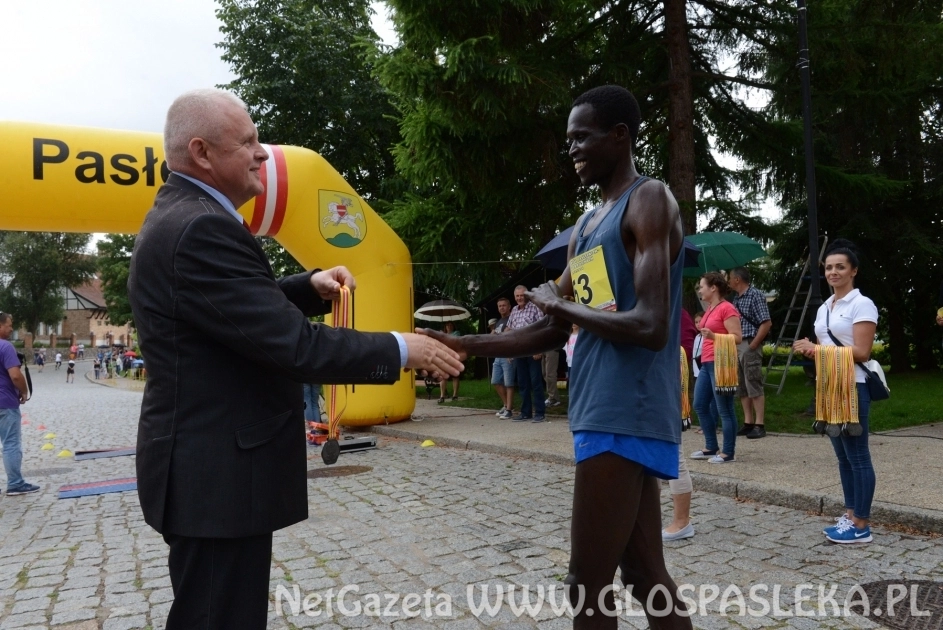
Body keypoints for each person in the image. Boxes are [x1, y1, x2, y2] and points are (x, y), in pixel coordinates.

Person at [127, 88, 463, 630]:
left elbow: (230, 312)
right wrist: (404, 348)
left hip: (207, 474)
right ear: (202, 152)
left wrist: (307, 287)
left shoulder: (185, 217)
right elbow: (294, 346)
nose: (263, 154)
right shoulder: (201, 227)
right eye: (250, 142)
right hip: (216, 479)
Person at [424, 85, 692, 629]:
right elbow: (551, 329)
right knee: (644, 577)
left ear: (619, 136)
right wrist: (461, 345)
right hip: (599, 407)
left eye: (581, 138)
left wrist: (558, 301)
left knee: (585, 585)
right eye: (568, 140)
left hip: (628, 409)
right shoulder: (588, 225)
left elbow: (651, 325)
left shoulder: (648, 200)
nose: (571, 150)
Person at [793, 239, 877, 544]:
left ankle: (862, 524)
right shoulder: (825, 307)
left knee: (858, 456)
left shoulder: (861, 304)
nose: (833, 272)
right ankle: (850, 514)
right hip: (829, 387)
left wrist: (818, 349)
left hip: (854, 385)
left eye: (840, 266)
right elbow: (826, 348)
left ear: (853, 271)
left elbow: (863, 352)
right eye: (829, 267)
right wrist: (811, 350)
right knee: (842, 457)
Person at [690, 272, 742, 463]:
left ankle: (728, 452)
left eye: (702, 286)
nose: (699, 289)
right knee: (700, 404)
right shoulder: (711, 308)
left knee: (725, 409)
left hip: (722, 363)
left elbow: (737, 337)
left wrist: (714, 337)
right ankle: (711, 447)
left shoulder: (727, 308)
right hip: (707, 362)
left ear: (713, 288)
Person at [663, 309, 699, 541]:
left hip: (664, 383)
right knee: (647, 457)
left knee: (673, 455)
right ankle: (647, 516)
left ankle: (682, 521)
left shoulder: (676, 312)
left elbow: (683, 351)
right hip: (645, 384)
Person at [729, 267, 772, 439]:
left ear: (737, 279)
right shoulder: (736, 299)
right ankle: (748, 422)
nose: (728, 281)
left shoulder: (755, 295)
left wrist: (753, 345)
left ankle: (759, 424)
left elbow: (766, 322)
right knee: (742, 386)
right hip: (738, 345)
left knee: (753, 383)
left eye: (730, 278)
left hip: (749, 343)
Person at [0, 313, 40, 496]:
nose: (11, 329)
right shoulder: (5, 346)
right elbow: (15, 375)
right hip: (5, 403)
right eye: (9, 325)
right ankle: (15, 483)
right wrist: (23, 391)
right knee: (11, 444)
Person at [507, 285, 546, 423]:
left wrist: (539, 349)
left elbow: (542, 328)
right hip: (519, 351)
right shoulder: (514, 310)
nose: (519, 298)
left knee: (536, 382)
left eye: (522, 295)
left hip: (533, 350)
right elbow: (509, 330)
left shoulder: (535, 307)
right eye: (517, 296)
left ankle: (540, 412)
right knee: (523, 383)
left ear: (527, 295)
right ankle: (525, 412)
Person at [491, 297, 516, 419]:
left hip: (508, 355)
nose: (502, 307)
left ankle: (509, 410)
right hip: (498, 355)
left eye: (504, 305)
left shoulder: (513, 319)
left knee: (509, 383)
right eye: (499, 306)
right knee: (495, 381)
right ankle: (506, 405)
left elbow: (513, 336)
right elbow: (494, 336)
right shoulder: (499, 321)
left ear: (509, 306)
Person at [438, 321, 461, 402]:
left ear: (453, 326)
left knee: (455, 376)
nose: (449, 326)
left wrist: (443, 336)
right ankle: (442, 396)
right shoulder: (442, 334)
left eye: (451, 325)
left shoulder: (456, 333)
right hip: (444, 357)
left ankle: (455, 395)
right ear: (445, 326)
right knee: (443, 376)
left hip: (454, 357)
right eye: (447, 325)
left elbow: (453, 341)